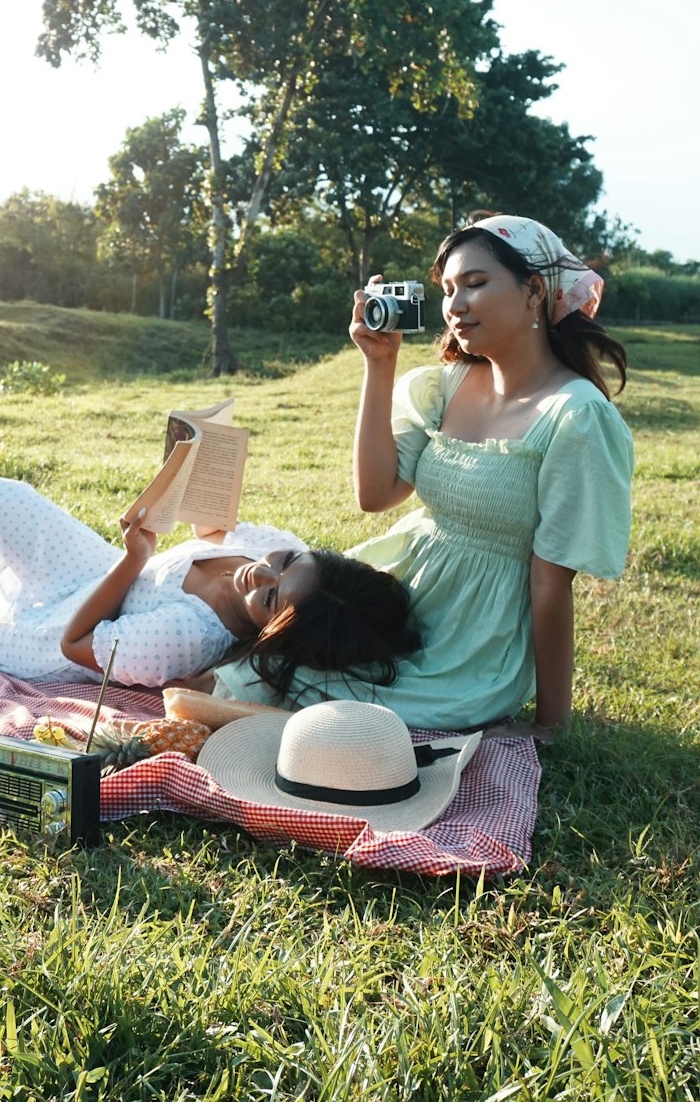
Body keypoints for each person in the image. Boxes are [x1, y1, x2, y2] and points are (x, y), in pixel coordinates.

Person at [213, 214, 634, 736]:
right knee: (258, 671)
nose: (455, 306)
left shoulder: (576, 416)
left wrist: (551, 725)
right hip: (398, 610)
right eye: (449, 289)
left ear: (533, 291)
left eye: (476, 285)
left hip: (472, 645)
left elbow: (550, 583)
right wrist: (379, 364)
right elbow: (375, 494)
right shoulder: (446, 385)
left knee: (306, 702)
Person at [0, 475, 418, 690]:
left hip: (63, 627)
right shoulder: (280, 549)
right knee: (1, 494)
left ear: (276, 633)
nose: (260, 572)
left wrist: (133, 561)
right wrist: (203, 464)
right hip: (98, 570)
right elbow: (211, 533)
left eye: (268, 597)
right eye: (289, 560)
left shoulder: (186, 637)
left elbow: (72, 643)